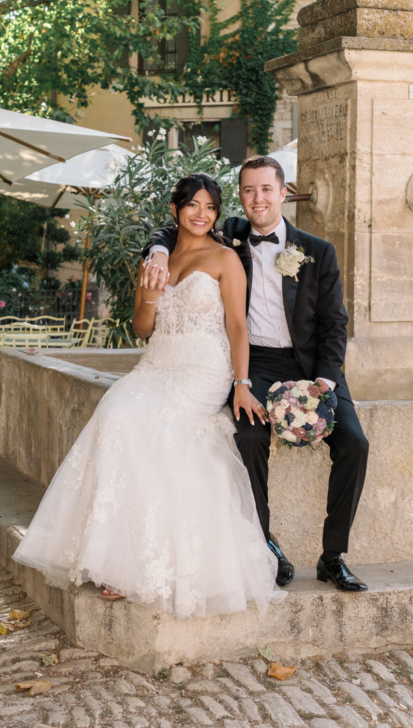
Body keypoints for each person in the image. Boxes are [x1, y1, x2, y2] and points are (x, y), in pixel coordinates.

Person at [12, 174, 284, 618]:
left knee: (157, 425)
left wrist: (241, 383)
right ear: (176, 209)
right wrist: (152, 295)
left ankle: (132, 568)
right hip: (157, 363)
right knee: (117, 412)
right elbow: (141, 328)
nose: (202, 214)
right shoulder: (155, 259)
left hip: (202, 370)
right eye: (193, 205)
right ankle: (112, 554)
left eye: (210, 207)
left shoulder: (224, 258)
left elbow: (238, 326)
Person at [141, 156, 369, 592]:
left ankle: (332, 556)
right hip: (255, 363)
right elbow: (174, 228)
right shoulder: (230, 236)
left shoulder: (318, 251)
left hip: (310, 366)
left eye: (266, 189)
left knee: (355, 443)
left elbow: (334, 324)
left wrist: (325, 379)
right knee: (246, 437)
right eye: (248, 190)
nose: (257, 198)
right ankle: (265, 547)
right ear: (241, 197)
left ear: (283, 193)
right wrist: (157, 250)